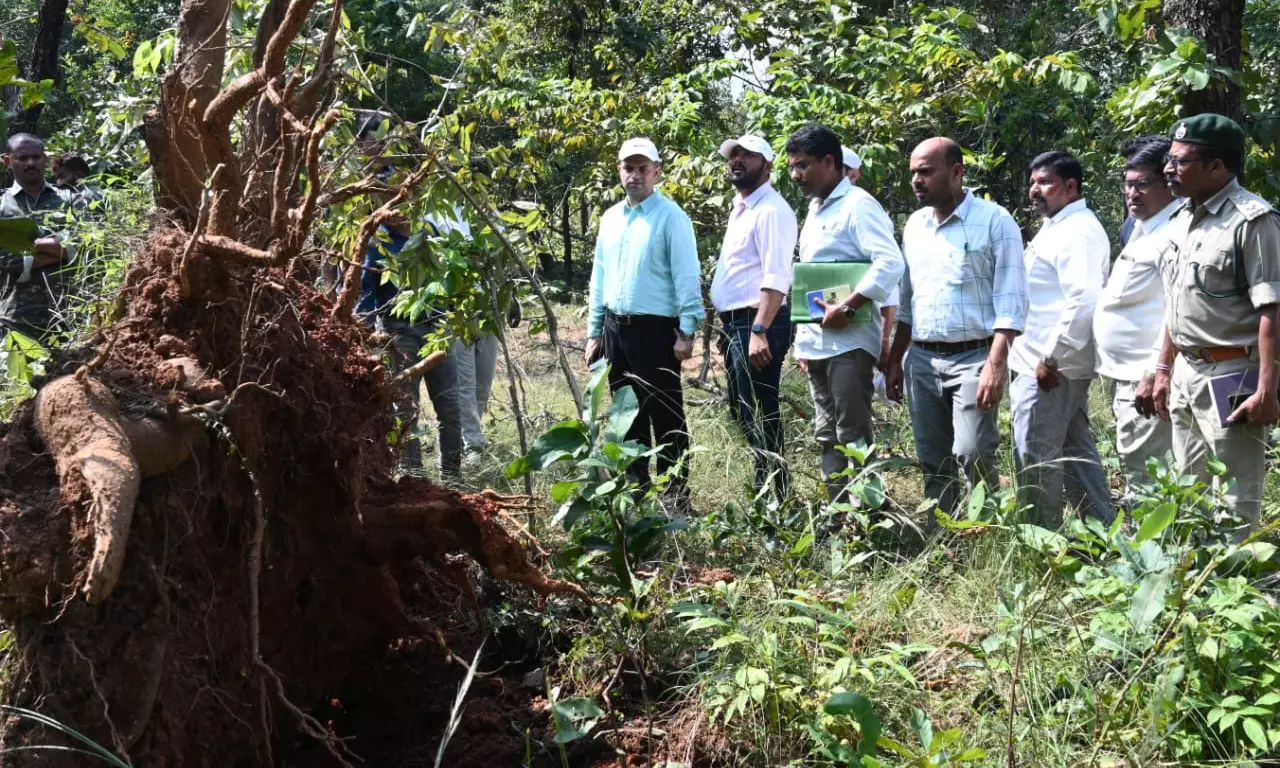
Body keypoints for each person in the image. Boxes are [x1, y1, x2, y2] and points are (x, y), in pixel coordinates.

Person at [1143, 113, 1280, 534]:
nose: (1169, 169)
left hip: (1232, 373)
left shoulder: (1253, 221)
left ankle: (1238, 589)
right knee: (1189, 489)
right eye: (1169, 159)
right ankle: (1197, 590)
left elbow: (1272, 311)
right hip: (1187, 370)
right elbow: (1177, 302)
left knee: (1235, 498)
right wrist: (1163, 369)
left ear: (1216, 167)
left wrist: (1266, 390)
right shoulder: (1182, 218)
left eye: (1181, 161)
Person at [884, 137, 1027, 520]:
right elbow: (908, 302)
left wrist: (995, 365)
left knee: (973, 450)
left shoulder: (995, 222)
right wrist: (896, 359)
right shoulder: (914, 226)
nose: (916, 180)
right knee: (933, 457)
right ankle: (942, 537)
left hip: (975, 357)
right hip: (924, 359)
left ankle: (985, 530)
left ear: (957, 172)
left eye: (926, 171)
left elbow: (1012, 302)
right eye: (913, 172)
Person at [785, 124, 904, 501]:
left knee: (853, 436)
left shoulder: (858, 205)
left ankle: (870, 520)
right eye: (792, 167)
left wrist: (849, 308)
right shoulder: (815, 209)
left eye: (803, 165)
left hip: (849, 344)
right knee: (826, 435)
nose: (796, 175)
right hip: (816, 344)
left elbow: (889, 262)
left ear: (830, 162)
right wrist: (803, 341)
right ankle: (838, 519)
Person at [585, 138, 701, 507]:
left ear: (656, 171)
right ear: (619, 170)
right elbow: (598, 278)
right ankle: (636, 489)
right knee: (626, 412)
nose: (635, 175)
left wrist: (687, 330)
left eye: (642, 168)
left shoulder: (671, 217)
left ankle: (675, 493)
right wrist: (594, 331)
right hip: (615, 329)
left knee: (665, 412)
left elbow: (687, 275)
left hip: (655, 329)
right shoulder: (611, 218)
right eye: (628, 168)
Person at [353, 117, 464, 482]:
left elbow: (450, 281)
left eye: (404, 193)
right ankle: (413, 479)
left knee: (450, 408)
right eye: (388, 197)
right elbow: (367, 302)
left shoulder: (430, 235)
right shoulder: (377, 244)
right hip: (399, 334)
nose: (397, 203)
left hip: (437, 330)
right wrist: (372, 339)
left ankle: (452, 477)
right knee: (405, 411)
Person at [1009, 150, 1114, 527]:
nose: (1035, 190)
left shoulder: (1077, 231)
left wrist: (1052, 357)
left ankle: (1040, 541)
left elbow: (1083, 297)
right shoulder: (1058, 225)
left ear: (1070, 186)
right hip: (1044, 362)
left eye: (1045, 183)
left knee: (1035, 455)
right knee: (1075, 454)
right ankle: (1102, 533)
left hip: (1050, 369)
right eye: (1033, 182)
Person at [710, 134, 798, 501]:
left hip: (758, 322)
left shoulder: (771, 210)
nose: (738, 160)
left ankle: (774, 493)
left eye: (748, 155)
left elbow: (777, 275)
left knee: (760, 409)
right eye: (735, 155)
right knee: (744, 408)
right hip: (739, 323)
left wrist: (759, 329)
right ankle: (769, 487)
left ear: (768, 164)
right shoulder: (742, 207)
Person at [1092, 136, 1180, 496]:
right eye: (1128, 184)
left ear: (1169, 184)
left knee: (1149, 473)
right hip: (1125, 375)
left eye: (1143, 184)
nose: (1132, 193)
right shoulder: (1139, 227)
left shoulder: (1176, 232)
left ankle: (1153, 548)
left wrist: (1153, 371)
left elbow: (1177, 310)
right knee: (1137, 463)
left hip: (1147, 377)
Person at [0, 133, 76, 343]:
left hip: (72, 315)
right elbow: (7, 260)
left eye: (36, 157)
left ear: (46, 160)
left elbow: (84, 244)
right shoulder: (1, 208)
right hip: (17, 321)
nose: (30, 163)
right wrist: (62, 251)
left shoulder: (70, 199)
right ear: (8, 161)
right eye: (22, 158)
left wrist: (28, 245)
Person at [842, 144, 898, 374]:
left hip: (861, 332)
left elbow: (889, 275)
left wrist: (884, 340)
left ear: (853, 174)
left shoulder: (863, 208)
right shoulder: (820, 207)